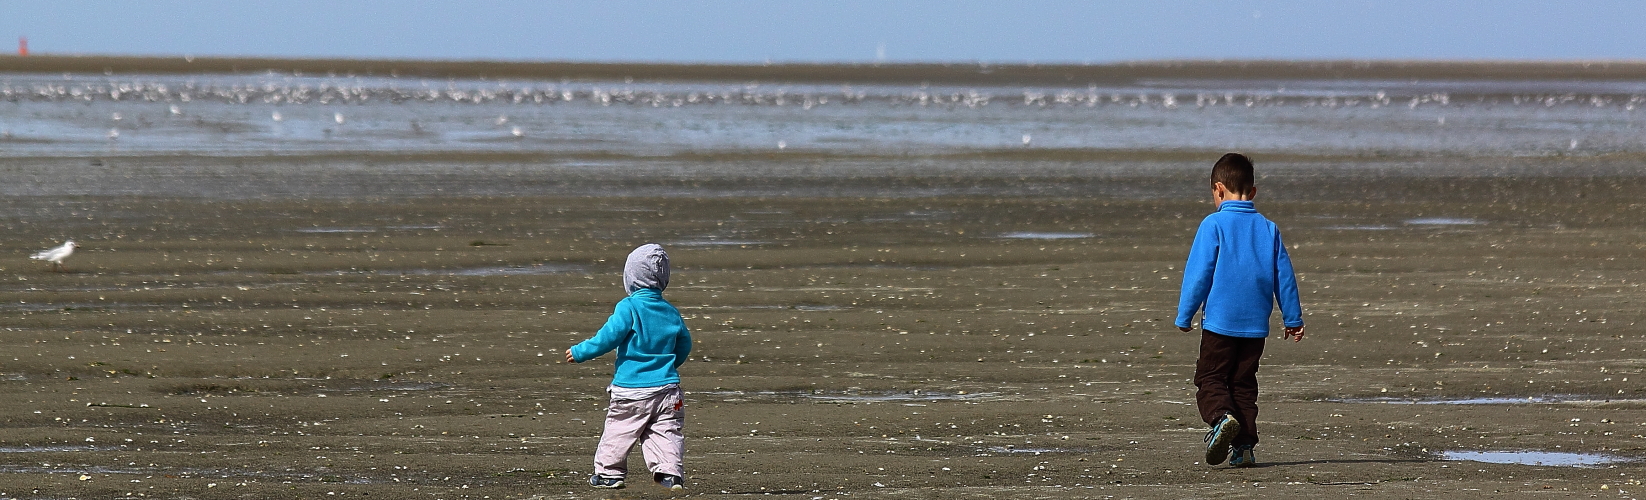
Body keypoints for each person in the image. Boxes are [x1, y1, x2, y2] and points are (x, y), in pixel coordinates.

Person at [1174, 153, 1305, 468]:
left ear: (1218, 190)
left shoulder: (1214, 223)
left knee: (1211, 377)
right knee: (1244, 384)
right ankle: (1244, 447)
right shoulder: (1269, 229)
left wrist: (1185, 314)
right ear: (1253, 192)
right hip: (1255, 327)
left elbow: (1199, 273)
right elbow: (1284, 277)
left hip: (1220, 322)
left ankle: (1221, 418)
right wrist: (1293, 318)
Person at [566, 243, 692, 490]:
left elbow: (608, 337)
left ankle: (609, 474)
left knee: (620, 430)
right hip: (668, 389)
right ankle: (670, 472)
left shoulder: (629, 306)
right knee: (666, 430)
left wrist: (580, 352)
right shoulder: (670, 311)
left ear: (630, 278)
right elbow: (685, 344)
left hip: (631, 389)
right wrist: (668, 364)